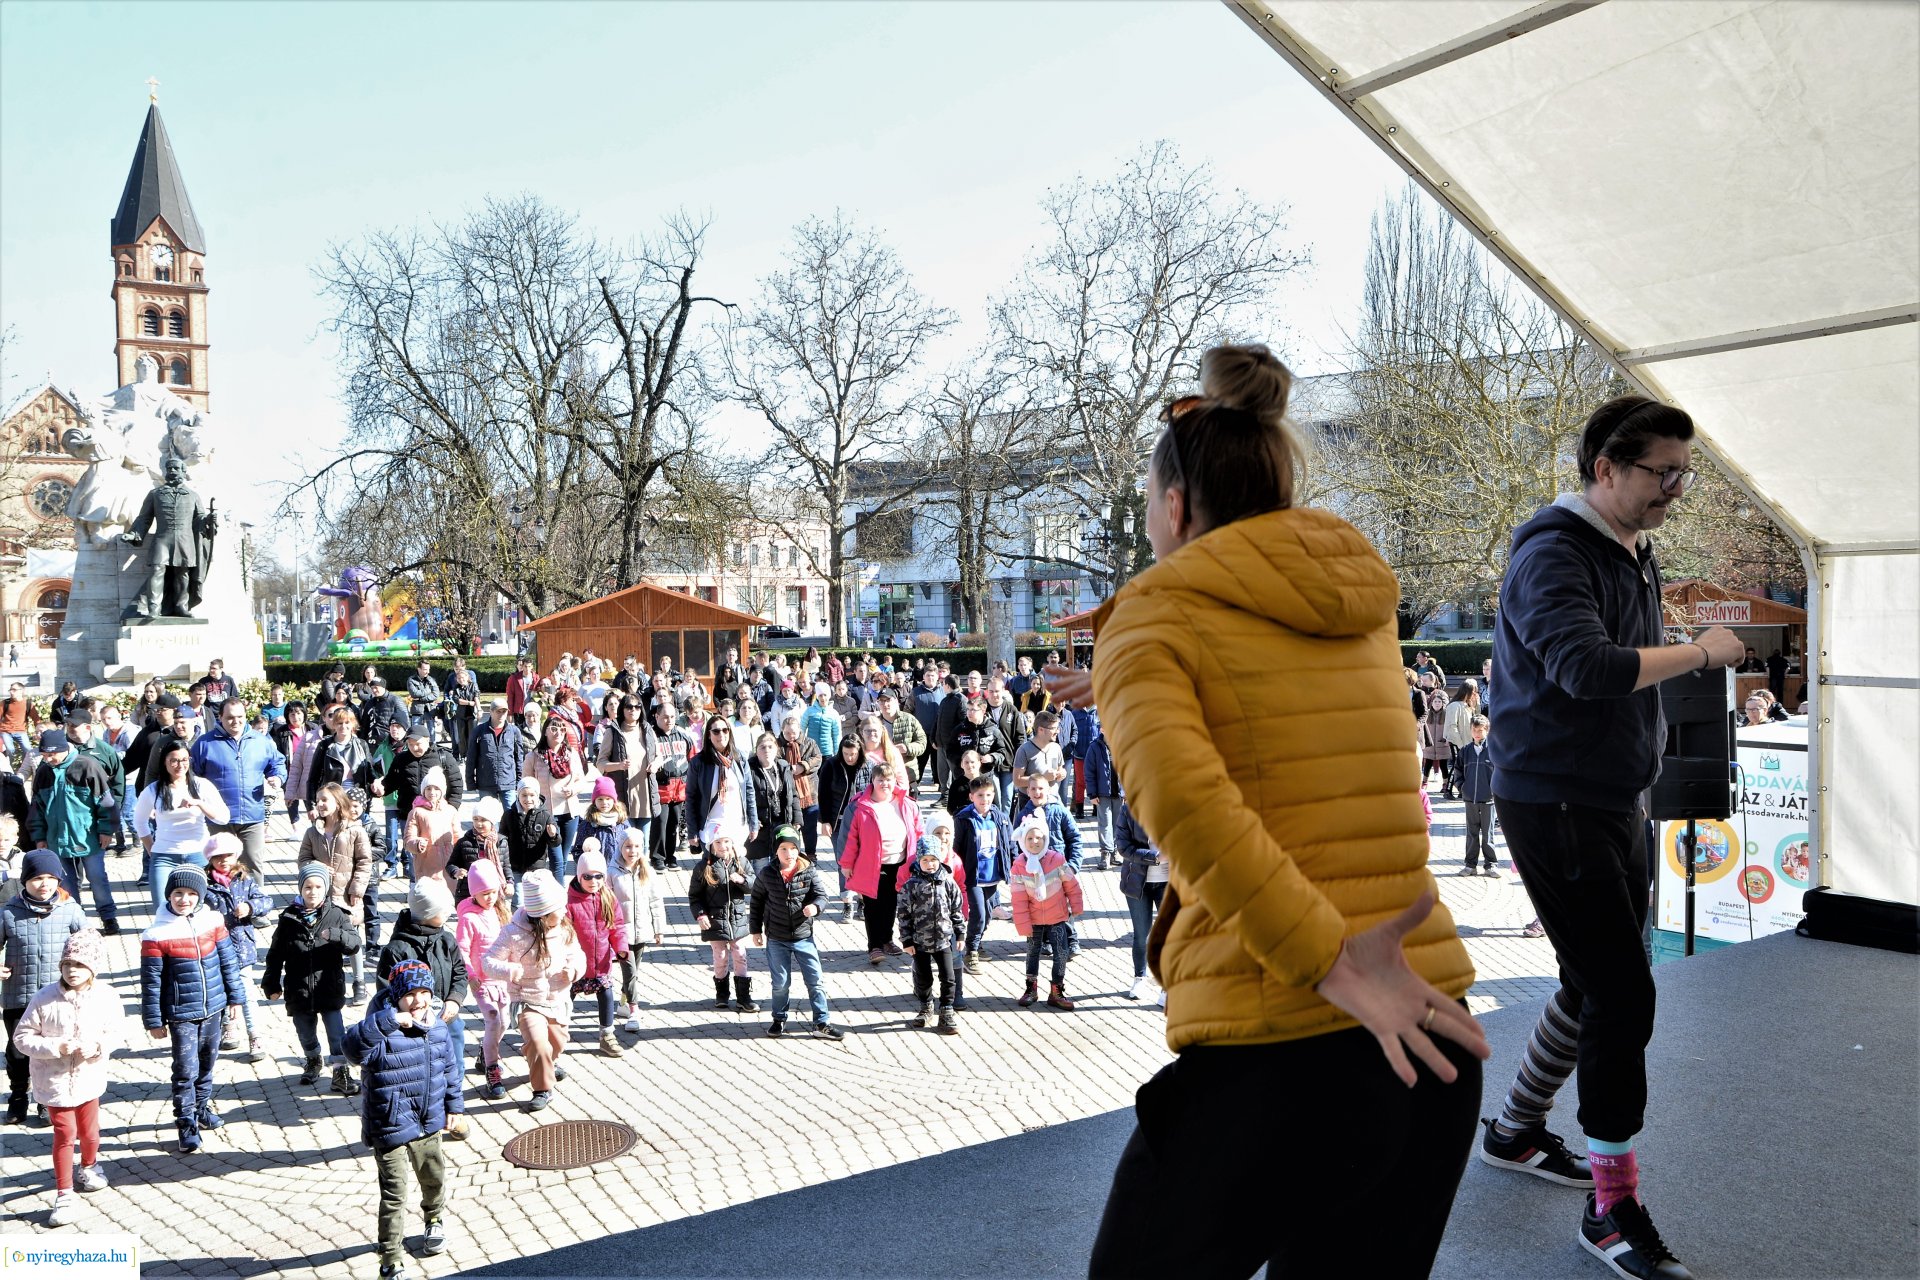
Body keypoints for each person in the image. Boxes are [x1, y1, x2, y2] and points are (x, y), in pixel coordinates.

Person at [1068, 343, 1486, 1276]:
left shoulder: (1152, 615)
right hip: (1428, 1030)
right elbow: (1284, 718)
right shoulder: (1356, 602)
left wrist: (1329, 959)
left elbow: (1193, 806)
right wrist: (1123, 683)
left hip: (1293, 1040)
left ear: (1177, 507)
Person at [1481, 394, 1738, 1280]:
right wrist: (1701, 653)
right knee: (1623, 995)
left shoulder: (1631, 545)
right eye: (1662, 473)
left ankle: (1515, 1130)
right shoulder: (1553, 552)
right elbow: (1586, 669)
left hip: (1612, 794)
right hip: (1554, 801)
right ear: (1605, 469)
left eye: (1683, 474)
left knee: (1593, 979)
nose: (1675, 489)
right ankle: (1611, 1208)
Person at [344, 958, 465, 1280]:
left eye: (424, 992)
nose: (418, 1000)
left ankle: (434, 1220)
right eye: (410, 994)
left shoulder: (437, 1027)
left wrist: (454, 1107)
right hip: (390, 1125)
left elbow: (450, 1071)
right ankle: (390, 1261)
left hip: (429, 1122)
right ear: (396, 997)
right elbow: (351, 1049)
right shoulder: (380, 1029)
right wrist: (387, 1021)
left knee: (433, 1178)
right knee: (394, 1195)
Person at [15, 927, 121, 1225]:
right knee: (65, 1133)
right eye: (68, 964)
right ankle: (64, 1194)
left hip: (89, 1078)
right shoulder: (44, 997)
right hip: (54, 1081)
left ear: (93, 968)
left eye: (80, 965)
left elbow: (115, 1032)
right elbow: (22, 1037)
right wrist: (55, 1047)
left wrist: (97, 1047)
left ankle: (89, 1165)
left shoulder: (106, 996)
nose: (72, 970)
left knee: (90, 1132)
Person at [140, 860, 245, 1152]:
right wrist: (153, 1020)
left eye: (191, 894)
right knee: (186, 1069)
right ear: (168, 895)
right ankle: (186, 1122)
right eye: (177, 893)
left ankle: (201, 1108)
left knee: (207, 1063)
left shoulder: (213, 922)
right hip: (181, 1014)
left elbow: (229, 963)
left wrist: (236, 998)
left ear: (200, 896)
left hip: (214, 1007)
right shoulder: (156, 934)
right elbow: (151, 982)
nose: (184, 899)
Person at [483, 869, 583, 1112]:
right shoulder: (512, 932)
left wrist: (574, 970)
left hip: (557, 998)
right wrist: (509, 970)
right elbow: (487, 962)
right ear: (542, 914)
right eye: (559, 908)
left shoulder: (564, 928)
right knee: (538, 1043)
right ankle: (542, 1089)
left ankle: (547, 1063)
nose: (564, 911)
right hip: (526, 998)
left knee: (557, 1043)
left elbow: (577, 955)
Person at [3, 851, 88, 1125]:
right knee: (18, 1051)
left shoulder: (70, 909)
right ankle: (18, 1095)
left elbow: (89, 945)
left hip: (58, 997)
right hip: (19, 994)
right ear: (25, 880)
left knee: (51, 1050)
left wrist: (84, 974)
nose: (44, 884)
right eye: (37, 878)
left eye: (51, 878)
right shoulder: (8, 912)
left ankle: (46, 1100)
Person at [748, 825, 842, 1040]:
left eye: (793, 848)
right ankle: (779, 1019)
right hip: (776, 938)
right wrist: (755, 930)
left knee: (815, 981)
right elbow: (756, 902)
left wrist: (816, 907)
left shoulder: (808, 870)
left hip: (803, 937)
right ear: (775, 851)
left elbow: (822, 896)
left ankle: (822, 1022)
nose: (788, 853)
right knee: (780, 983)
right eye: (783, 848)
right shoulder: (767, 873)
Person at [28, 729, 119, 934]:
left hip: (89, 838)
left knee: (97, 878)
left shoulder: (87, 766)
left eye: (51, 754)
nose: (47, 759)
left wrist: (106, 830)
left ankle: (108, 917)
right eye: (44, 755)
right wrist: (39, 836)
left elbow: (106, 803)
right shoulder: (43, 772)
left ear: (63, 749)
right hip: (56, 841)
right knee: (66, 884)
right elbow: (37, 808)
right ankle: (77, 922)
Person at [191, 696, 287, 879]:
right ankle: (221, 896)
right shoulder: (204, 744)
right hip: (219, 818)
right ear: (220, 717)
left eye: (240, 717)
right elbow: (192, 777)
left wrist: (277, 777)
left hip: (252, 815)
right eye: (230, 717)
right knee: (220, 868)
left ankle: (254, 898)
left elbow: (277, 763)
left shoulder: (261, 741)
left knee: (252, 867)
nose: (236, 721)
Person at [840, 763, 924, 964]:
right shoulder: (861, 806)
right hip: (872, 864)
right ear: (873, 781)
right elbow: (851, 839)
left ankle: (887, 939)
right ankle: (875, 946)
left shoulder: (907, 804)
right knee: (872, 905)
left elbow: (919, 832)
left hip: (901, 863)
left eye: (888, 780)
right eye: (880, 780)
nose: (885, 784)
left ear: (895, 781)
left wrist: (921, 859)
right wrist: (846, 864)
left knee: (891, 904)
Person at [299, 783, 375, 1001]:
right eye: (318, 800)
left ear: (338, 802)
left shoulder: (355, 830)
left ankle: (359, 982)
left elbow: (364, 862)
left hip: (346, 895)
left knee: (352, 937)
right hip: (320, 897)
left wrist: (357, 889)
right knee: (323, 938)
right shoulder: (312, 832)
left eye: (325, 800)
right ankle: (327, 982)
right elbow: (303, 859)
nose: (320, 804)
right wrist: (317, 866)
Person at [202, 832, 271, 1062]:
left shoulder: (244, 879)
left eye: (228, 855)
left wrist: (250, 907)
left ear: (236, 856)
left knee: (247, 993)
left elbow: (266, 901)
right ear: (210, 859)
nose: (223, 860)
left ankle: (255, 1034)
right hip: (215, 948)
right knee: (221, 990)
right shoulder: (204, 883)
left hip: (242, 948)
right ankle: (229, 1025)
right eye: (217, 856)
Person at [1007, 813, 1083, 1010]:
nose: (1035, 842)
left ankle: (1057, 990)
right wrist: (1023, 925)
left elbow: (1071, 885)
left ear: (1046, 838)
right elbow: (1018, 899)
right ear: (1023, 841)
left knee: (1061, 953)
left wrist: (1076, 906)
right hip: (1034, 920)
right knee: (1032, 953)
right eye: (1030, 838)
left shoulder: (1057, 860)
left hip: (1057, 917)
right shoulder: (1019, 866)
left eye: (1039, 837)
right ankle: (1030, 989)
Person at [897, 834, 966, 1034]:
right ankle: (926, 1006)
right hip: (919, 942)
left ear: (940, 859)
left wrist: (960, 934)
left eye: (933, 859)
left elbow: (956, 910)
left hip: (944, 940)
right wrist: (907, 940)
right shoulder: (911, 885)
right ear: (919, 860)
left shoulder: (948, 882)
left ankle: (946, 1010)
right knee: (923, 977)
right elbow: (903, 914)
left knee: (948, 977)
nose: (929, 864)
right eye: (925, 860)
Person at [455, 858, 512, 1100]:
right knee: (493, 1019)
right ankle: (492, 1069)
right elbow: (462, 949)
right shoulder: (468, 919)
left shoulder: (500, 912)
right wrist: (470, 975)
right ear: (474, 893)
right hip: (481, 981)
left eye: (493, 892)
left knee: (505, 1022)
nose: (490, 898)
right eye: (484, 893)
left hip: (502, 978)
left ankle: (485, 1051)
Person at [563, 843, 626, 1058]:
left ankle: (607, 1035)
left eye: (598, 876)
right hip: (575, 965)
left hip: (601, 963)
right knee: (565, 999)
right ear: (578, 876)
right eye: (587, 877)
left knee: (606, 995)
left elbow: (617, 926)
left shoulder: (608, 897)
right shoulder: (569, 902)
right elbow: (563, 933)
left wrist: (621, 948)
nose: (593, 881)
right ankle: (558, 1031)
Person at [688, 827, 755, 1012]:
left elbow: (754, 885)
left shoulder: (741, 862)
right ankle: (722, 993)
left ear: (733, 843)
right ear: (711, 845)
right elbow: (694, 896)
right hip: (714, 921)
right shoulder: (703, 867)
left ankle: (743, 996)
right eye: (717, 842)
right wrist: (700, 914)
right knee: (721, 957)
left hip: (737, 919)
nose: (722, 846)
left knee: (740, 954)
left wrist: (742, 880)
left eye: (726, 841)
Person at [608, 827, 666, 1035]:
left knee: (634, 972)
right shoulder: (612, 872)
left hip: (642, 930)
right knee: (630, 972)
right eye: (628, 847)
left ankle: (623, 1002)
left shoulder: (647, 870)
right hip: (621, 933)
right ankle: (634, 1011)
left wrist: (659, 929)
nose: (632, 851)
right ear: (620, 847)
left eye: (636, 847)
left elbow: (656, 900)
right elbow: (607, 903)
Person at [1114, 792, 1168, 1003]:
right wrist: (1155, 857)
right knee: (1141, 935)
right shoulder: (1128, 811)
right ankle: (1140, 977)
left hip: (1169, 883)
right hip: (1138, 883)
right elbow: (1123, 847)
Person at [685, 718, 757, 862]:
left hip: (736, 824)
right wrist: (692, 831)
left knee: (737, 867)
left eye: (725, 730)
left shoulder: (740, 758)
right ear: (708, 735)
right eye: (716, 731)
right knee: (713, 869)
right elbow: (691, 798)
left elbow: (749, 792)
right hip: (711, 825)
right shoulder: (698, 762)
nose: (721, 735)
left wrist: (753, 823)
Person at [524, 717, 590, 870]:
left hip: (569, 812)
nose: (558, 732)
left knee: (564, 857)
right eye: (553, 729)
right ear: (545, 732)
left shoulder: (571, 754)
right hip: (546, 813)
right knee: (556, 858)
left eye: (562, 729)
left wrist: (573, 790)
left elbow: (581, 781)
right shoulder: (534, 756)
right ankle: (559, 886)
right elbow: (526, 785)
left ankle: (557, 882)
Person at [745, 732, 799, 871]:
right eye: (762, 747)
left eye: (770, 747)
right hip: (760, 828)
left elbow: (793, 794)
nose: (767, 750)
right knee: (761, 868)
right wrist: (751, 819)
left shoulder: (783, 766)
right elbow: (743, 798)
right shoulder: (749, 769)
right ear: (756, 750)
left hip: (781, 824)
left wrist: (797, 819)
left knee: (781, 866)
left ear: (776, 749)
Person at [402, 770, 461, 891]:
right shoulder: (416, 812)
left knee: (450, 896)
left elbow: (457, 836)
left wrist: (462, 854)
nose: (432, 792)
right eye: (428, 788)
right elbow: (408, 839)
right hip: (427, 864)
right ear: (423, 790)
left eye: (436, 789)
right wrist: (417, 844)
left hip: (449, 864)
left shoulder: (450, 811)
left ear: (442, 791)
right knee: (430, 897)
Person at [503, 777, 561, 894]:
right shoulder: (509, 815)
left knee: (536, 898)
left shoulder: (545, 815)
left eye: (532, 795)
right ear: (518, 796)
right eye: (524, 795)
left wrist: (553, 835)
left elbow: (556, 843)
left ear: (537, 795)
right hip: (516, 866)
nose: (528, 799)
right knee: (518, 899)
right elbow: (503, 837)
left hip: (536, 867)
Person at [776, 716, 823, 860]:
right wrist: (788, 768)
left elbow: (818, 758)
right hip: (788, 794)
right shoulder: (777, 745)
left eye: (794, 733)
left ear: (799, 730)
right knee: (790, 828)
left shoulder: (809, 743)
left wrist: (803, 766)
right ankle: (791, 854)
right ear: (782, 731)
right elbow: (775, 761)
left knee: (810, 828)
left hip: (809, 794)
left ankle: (810, 854)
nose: (791, 736)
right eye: (787, 733)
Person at [1457, 716, 1498, 877]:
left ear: (1487, 731)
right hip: (1470, 799)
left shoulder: (1493, 750)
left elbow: (1499, 772)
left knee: (1488, 834)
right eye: (1474, 730)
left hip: (1488, 799)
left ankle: (1491, 865)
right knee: (1471, 833)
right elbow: (1458, 771)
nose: (1477, 733)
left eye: (1480, 730)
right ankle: (1470, 865)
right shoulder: (1465, 751)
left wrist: (1494, 790)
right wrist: (1462, 788)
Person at [1442, 681, 1481, 800]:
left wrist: (1477, 704)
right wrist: (1460, 744)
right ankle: (1448, 790)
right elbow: (1452, 726)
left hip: (1467, 741)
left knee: (1465, 766)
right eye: (1473, 692)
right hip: (1457, 742)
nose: (1475, 694)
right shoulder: (1454, 706)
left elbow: (1477, 719)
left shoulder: (1468, 706)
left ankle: (1461, 790)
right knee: (1456, 765)